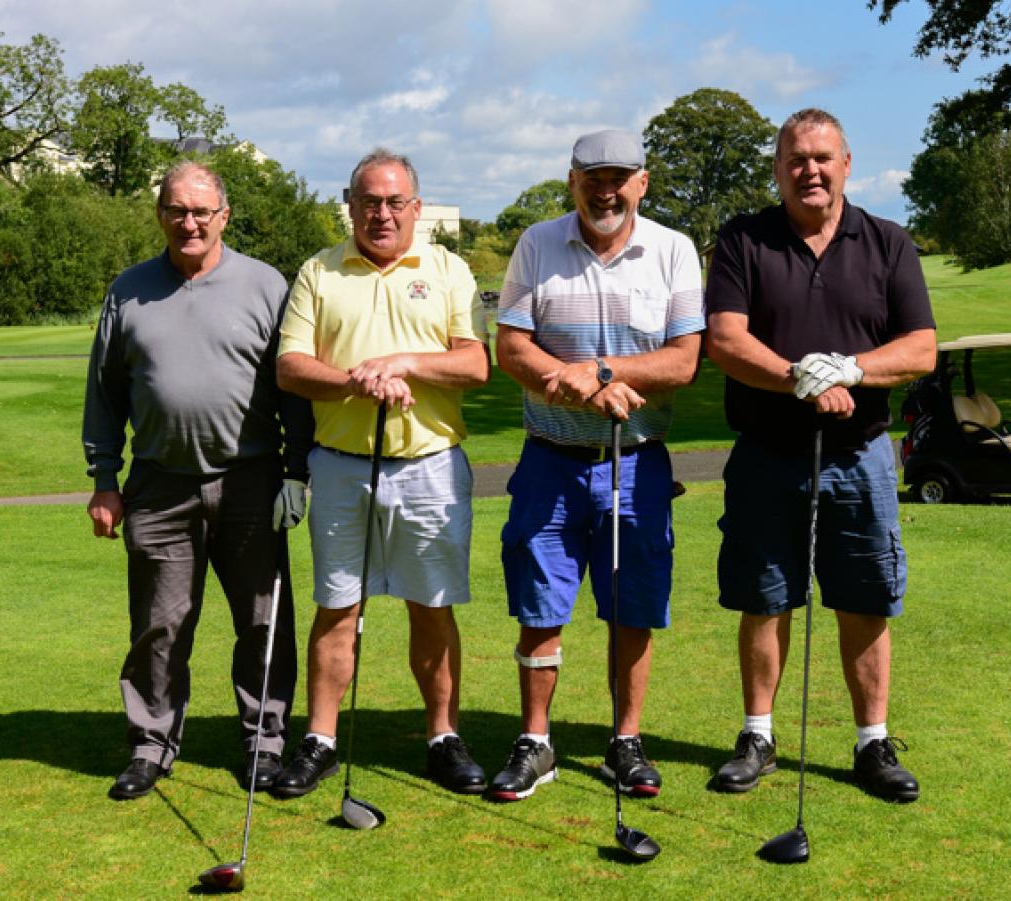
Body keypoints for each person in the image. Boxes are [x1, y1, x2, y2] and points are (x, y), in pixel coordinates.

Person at [704, 108, 936, 802]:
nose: (810, 169)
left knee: (865, 597)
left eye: (822, 157)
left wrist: (850, 372)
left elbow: (920, 348)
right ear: (778, 169)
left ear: (847, 163)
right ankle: (758, 736)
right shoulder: (745, 239)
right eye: (796, 158)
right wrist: (798, 377)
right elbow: (724, 338)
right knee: (766, 596)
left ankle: (872, 743)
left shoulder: (888, 242)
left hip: (859, 452)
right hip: (767, 450)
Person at [83, 160, 315, 801]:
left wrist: (297, 470)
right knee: (159, 625)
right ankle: (150, 746)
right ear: (161, 215)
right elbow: (104, 393)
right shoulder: (127, 290)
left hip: (252, 479)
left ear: (224, 216)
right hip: (158, 484)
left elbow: (293, 388)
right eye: (176, 211)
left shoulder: (266, 285)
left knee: (264, 622)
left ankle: (264, 741)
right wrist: (105, 479)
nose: (189, 222)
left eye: (201, 211)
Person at [487, 130, 703, 802]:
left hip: (636, 462)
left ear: (643, 181)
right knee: (540, 604)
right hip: (550, 458)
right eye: (592, 177)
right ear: (572, 180)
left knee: (631, 605)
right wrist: (573, 384)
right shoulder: (537, 243)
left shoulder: (672, 250)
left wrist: (604, 371)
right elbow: (513, 347)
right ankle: (535, 739)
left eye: (620, 177)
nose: (605, 190)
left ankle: (625, 740)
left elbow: (683, 360)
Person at [272, 148, 490, 797]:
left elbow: (475, 365)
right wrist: (353, 379)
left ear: (417, 209)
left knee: (433, 608)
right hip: (341, 467)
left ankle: (443, 736)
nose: (382, 212)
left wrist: (401, 362)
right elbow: (289, 367)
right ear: (351, 204)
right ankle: (321, 739)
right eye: (369, 201)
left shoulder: (448, 269)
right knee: (337, 606)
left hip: (430, 467)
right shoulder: (319, 270)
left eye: (395, 201)